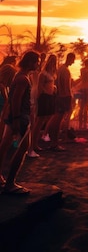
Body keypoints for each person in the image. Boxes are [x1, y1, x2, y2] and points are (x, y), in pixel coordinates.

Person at [0, 50, 40, 194]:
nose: (38, 64)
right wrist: (17, 120)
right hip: (19, 117)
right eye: (37, 61)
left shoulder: (19, 75)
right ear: (30, 62)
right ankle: (10, 183)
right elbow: (16, 99)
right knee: (23, 148)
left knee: (4, 145)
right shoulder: (23, 78)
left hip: (13, 116)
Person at [45, 52, 76, 151]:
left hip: (59, 96)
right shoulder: (65, 70)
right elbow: (66, 86)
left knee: (56, 120)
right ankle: (55, 143)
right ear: (70, 58)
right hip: (64, 97)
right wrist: (69, 98)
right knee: (58, 121)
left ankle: (53, 141)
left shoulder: (60, 69)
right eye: (73, 59)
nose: (74, 61)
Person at [30, 54, 57, 155]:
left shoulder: (52, 74)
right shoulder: (43, 74)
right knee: (39, 121)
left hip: (50, 97)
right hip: (43, 98)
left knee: (44, 120)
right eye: (52, 62)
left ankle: (36, 143)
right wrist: (38, 100)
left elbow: (50, 84)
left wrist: (53, 89)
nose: (53, 64)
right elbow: (40, 87)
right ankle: (33, 144)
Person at [78, 58, 88, 130]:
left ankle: (80, 123)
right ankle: (84, 123)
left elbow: (82, 78)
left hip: (82, 88)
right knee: (86, 106)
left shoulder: (82, 70)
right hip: (87, 88)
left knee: (81, 106)